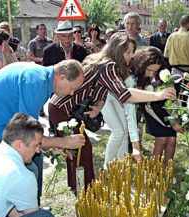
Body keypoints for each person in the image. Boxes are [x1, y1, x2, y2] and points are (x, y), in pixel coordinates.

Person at [48, 32, 175, 193]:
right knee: (80, 149)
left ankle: (81, 187)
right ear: (117, 50)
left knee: (79, 150)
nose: (131, 56)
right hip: (61, 110)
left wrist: (99, 105)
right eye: (127, 52)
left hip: (62, 108)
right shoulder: (108, 66)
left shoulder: (101, 62)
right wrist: (158, 95)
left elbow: (100, 88)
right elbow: (125, 95)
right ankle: (85, 190)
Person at [0, 60, 86, 203]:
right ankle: (21, 214)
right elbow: (27, 134)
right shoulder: (36, 82)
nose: (72, 93)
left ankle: (32, 208)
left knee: (35, 160)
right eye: (73, 88)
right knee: (21, 171)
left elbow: (30, 124)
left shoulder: (42, 79)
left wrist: (53, 144)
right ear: (61, 77)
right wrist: (63, 142)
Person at [133, 47, 182, 162]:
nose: (152, 74)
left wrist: (174, 119)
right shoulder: (137, 75)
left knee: (172, 141)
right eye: (149, 70)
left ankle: (167, 171)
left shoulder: (164, 72)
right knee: (162, 139)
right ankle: (155, 171)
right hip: (151, 108)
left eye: (155, 71)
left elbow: (171, 93)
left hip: (166, 108)